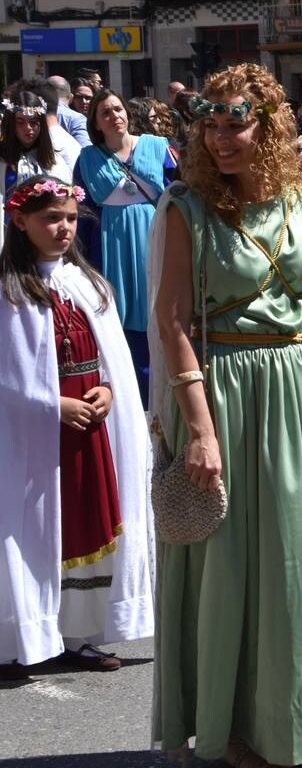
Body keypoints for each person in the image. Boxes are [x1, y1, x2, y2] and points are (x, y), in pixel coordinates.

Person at [149, 64, 302, 768]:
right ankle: (230, 730)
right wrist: (198, 428)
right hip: (227, 392)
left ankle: (295, 719)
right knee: (232, 571)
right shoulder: (185, 208)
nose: (222, 139)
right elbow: (173, 323)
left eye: (237, 123)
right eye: (212, 125)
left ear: (269, 127)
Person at [0, 176, 153, 679]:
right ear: (20, 221)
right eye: (50, 218)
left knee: (88, 527)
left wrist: (108, 389)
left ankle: (80, 635)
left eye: (69, 218)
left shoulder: (86, 282)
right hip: (35, 437)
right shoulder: (10, 291)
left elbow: (110, 358)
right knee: (32, 529)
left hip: (89, 432)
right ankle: (19, 634)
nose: (63, 228)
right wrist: (50, 404)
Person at [75, 89, 177, 404]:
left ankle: (168, 388)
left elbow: (181, 195)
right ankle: (130, 394)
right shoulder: (87, 159)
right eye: (105, 112)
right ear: (96, 122)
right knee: (118, 320)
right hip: (110, 246)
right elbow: (82, 213)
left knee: (160, 313)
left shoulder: (159, 148)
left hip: (155, 239)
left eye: (118, 109)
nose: (114, 116)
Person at [1, 92, 73, 191]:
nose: (28, 128)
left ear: (41, 124)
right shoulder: (2, 159)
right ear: (10, 124)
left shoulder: (55, 160)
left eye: (33, 122)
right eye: (20, 122)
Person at [45, 75, 91, 148]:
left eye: (88, 98)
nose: (83, 101)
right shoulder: (77, 119)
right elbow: (85, 151)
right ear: (71, 98)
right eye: (78, 97)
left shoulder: (33, 114)